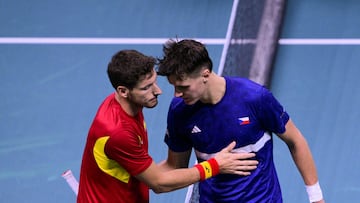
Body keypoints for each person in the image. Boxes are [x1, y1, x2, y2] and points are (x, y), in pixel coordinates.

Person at [77, 49, 259, 203]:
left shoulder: (127, 106)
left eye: (154, 82)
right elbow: (158, 183)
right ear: (123, 91)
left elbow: (155, 175)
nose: (158, 91)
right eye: (147, 87)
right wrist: (214, 166)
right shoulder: (117, 132)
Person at [157, 39, 325, 203]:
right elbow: (175, 167)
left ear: (205, 74)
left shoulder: (254, 98)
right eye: (174, 87)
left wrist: (316, 197)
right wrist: (138, 174)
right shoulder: (179, 110)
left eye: (183, 87)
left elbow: (295, 141)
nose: (177, 94)